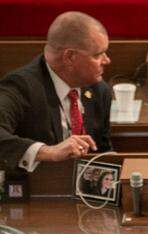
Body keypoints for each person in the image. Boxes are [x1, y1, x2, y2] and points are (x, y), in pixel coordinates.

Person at [0, 11, 112, 173]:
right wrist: (49, 152)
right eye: (98, 54)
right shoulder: (21, 87)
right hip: (35, 191)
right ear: (70, 57)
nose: (107, 60)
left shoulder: (98, 90)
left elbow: (102, 150)